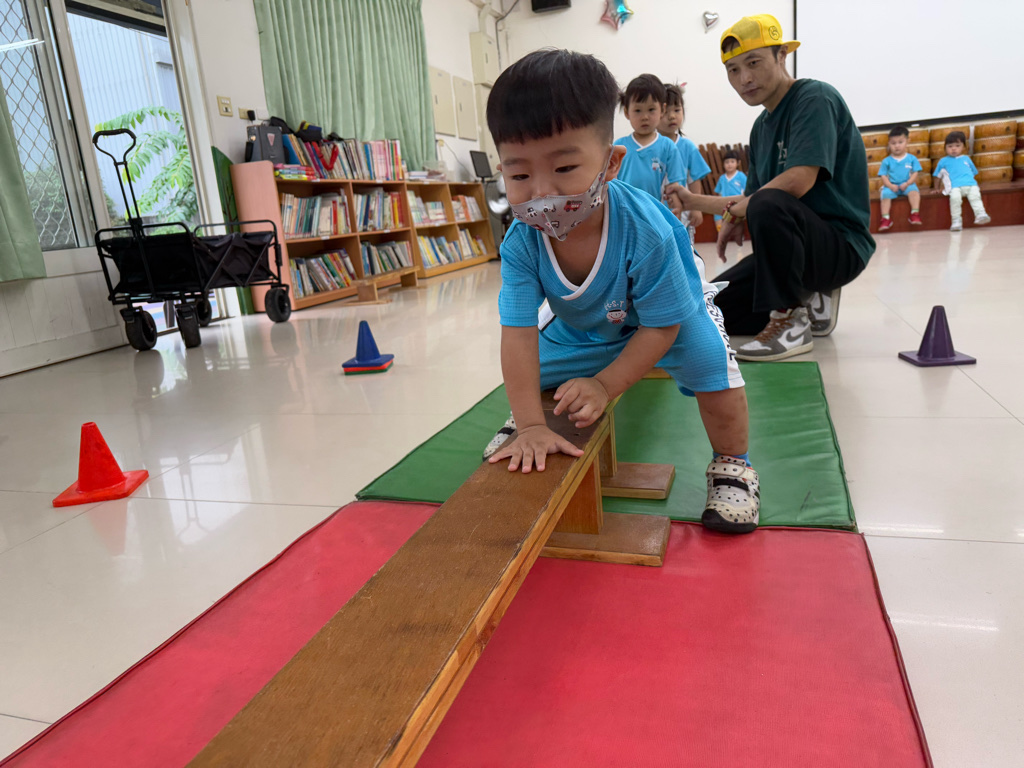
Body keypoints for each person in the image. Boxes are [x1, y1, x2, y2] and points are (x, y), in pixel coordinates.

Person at [482, 49, 760, 533]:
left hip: (671, 316)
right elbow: (518, 333)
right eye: (520, 175)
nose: (542, 191)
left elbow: (662, 327)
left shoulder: (647, 230)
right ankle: (525, 418)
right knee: (532, 368)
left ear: (611, 164)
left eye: (564, 169)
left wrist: (605, 385)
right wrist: (530, 424)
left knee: (710, 361)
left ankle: (733, 465)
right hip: (588, 321)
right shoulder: (521, 241)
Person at [671, 14, 875, 361]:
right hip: (792, 252)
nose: (744, 78)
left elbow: (796, 181)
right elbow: (748, 198)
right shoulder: (760, 128)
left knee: (768, 202)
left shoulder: (814, 98)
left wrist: (740, 211)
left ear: (782, 55)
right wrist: (692, 201)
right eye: (733, 69)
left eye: (754, 63)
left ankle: (790, 320)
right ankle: (806, 297)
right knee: (710, 311)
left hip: (840, 246)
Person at [613, 74, 687, 211]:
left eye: (651, 109)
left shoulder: (668, 147)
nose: (645, 117)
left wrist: (676, 207)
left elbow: (673, 185)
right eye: (638, 110)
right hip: (624, 212)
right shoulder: (619, 147)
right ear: (627, 112)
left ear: (662, 110)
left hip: (655, 213)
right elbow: (611, 184)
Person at [658, 83, 712, 241]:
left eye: (677, 110)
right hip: (655, 212)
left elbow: (693, 179)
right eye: (665, 112)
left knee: (684, 247)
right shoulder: (650, 148)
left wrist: (696, 207)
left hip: (683, 214)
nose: (672, 116)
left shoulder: (688, 147)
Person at [934, 131, 991, 231]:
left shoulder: (967, 159)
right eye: (950, 146)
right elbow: (937, 176)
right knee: (955, 199)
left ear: (964, 147)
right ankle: (956, 221)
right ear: (945, 148)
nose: (954, 148)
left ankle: (980, 214)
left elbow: (973, 172)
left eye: (957, 146)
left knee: (975, 197)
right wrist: (936, 188)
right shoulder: (943, 161)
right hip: (954, 186)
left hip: (971, 185)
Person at [877, 126, 923, 232]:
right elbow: (883, 176)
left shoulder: (912, 158)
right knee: (885, 195)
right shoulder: (886, 161)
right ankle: (885, 219)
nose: (897, 146)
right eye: (893, 143)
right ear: (889, 144)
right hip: (892, 185)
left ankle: (915, 214)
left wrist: (907, 183)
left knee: (914, 193)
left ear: (907, 141)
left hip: (907, 184)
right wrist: (890, 186)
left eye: (900, 142)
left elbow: (915, 173)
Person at [713, 150, 748, 231]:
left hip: (737, 202)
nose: (729, 164)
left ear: (738, 163)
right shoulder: (722, 178)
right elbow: (719, 192)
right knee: (716, 213)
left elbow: (746, 190)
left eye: (732, 161)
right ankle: (720, 231)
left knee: (736, 215)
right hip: (724, 203)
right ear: (723, 164)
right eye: (727, 162)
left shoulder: (741, 176)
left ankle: (737, 232)